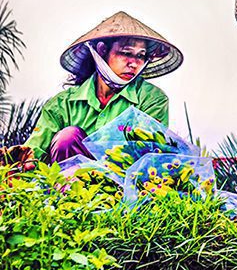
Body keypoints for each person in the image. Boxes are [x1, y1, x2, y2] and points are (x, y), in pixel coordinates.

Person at [9, 11, 183, 166]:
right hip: (68, 187)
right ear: (101, 51)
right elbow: (34, 151)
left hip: (122, 184)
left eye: (141, 56)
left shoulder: (152, 99)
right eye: (126, 53)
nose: (134, 63)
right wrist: (24, 161)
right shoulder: (63, 104)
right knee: (68, 137)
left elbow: (151, 153)